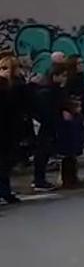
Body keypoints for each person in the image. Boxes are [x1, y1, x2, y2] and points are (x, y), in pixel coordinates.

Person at [31, 64, 67, 191]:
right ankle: (39, 180)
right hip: (45, 126)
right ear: (54, 76)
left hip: (49, 125)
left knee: (44, 153)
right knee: (42, 153)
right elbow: (47, 111)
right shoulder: (47, 91)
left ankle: (39, 179)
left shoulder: (55, 90)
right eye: (63, 76)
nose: (65, 79)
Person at [0, 56, 24, 203]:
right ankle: (5, 191)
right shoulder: (5, 87)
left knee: (5, 164)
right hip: (5, 129)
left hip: (8, 129)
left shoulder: (16, 85)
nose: (6, 72)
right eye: (3, 68)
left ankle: (5, 191)